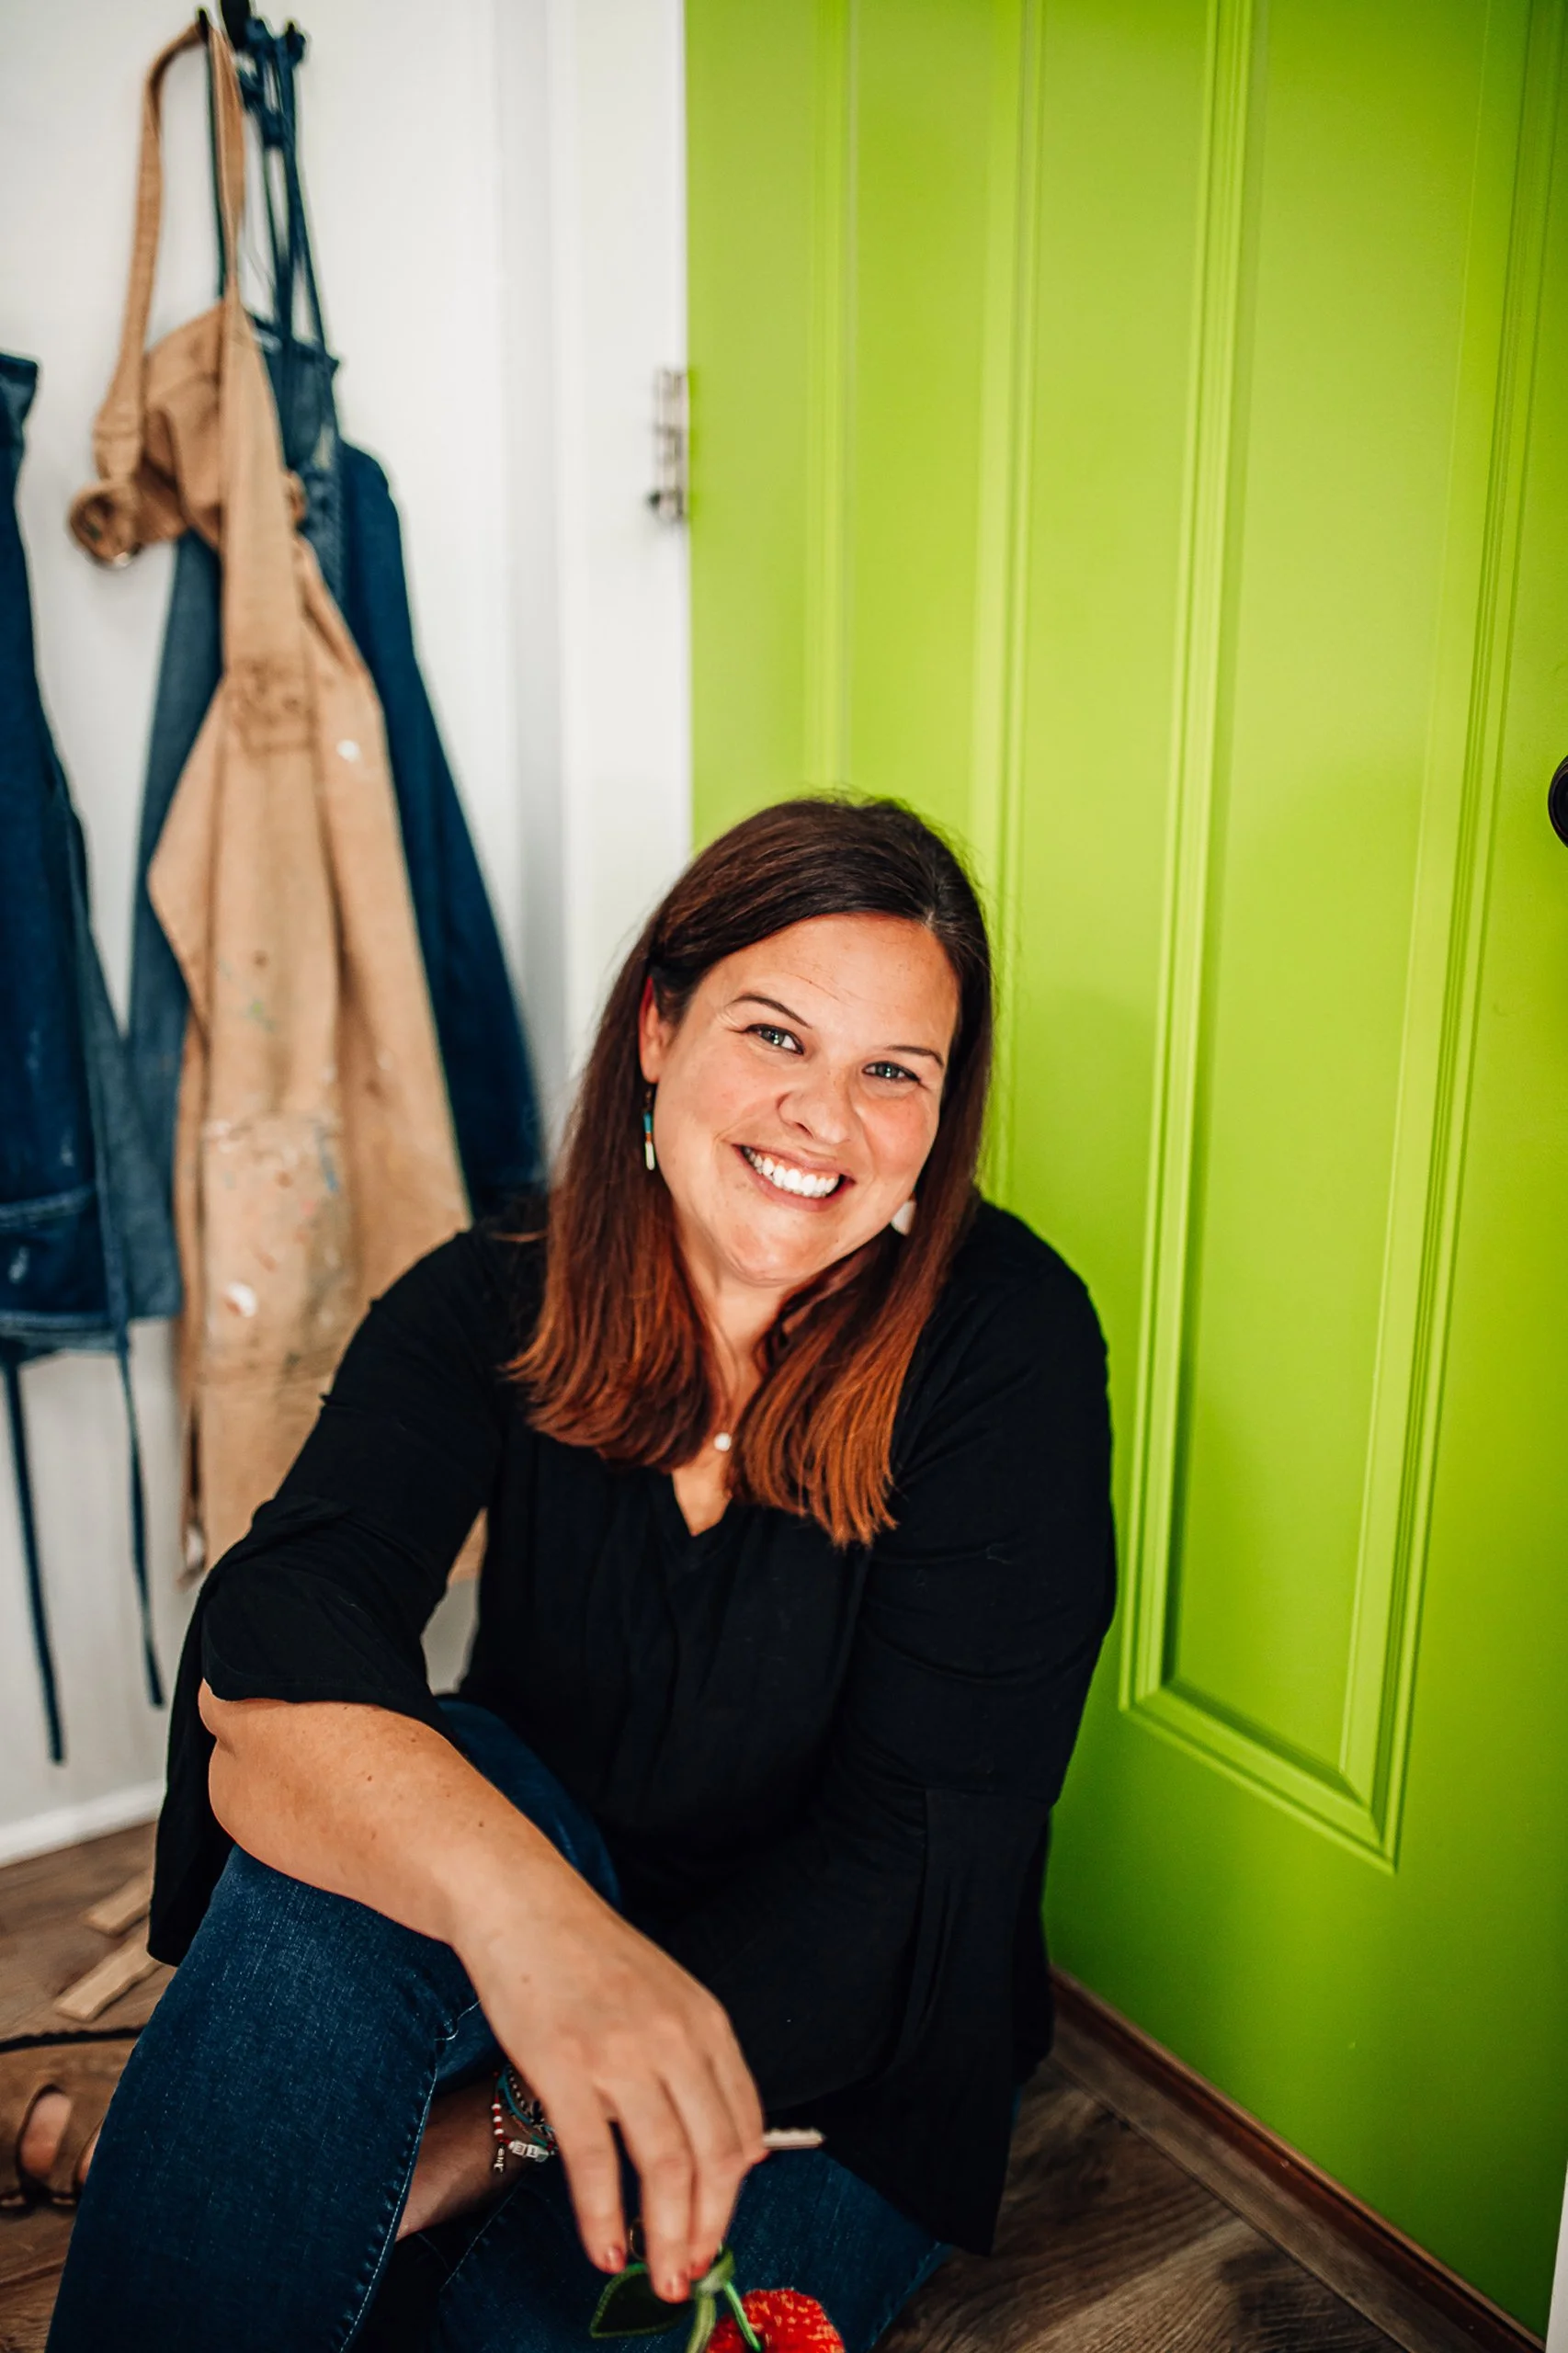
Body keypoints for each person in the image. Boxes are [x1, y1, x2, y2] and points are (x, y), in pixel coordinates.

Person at [41, 796, 1115, 2352]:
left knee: (506, 2327)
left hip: (842, 2041)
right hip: (524, 1922)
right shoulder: (487, 1295)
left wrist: (471, 2141)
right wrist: (533, 1929)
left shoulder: (1004, 1345)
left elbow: (910, 1879)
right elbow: (270, 1652)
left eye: (896, 1071)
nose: (826, 1116)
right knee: (367, 1792)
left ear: (940, 1119)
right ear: (659, 1028)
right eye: (775, 1035)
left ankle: (276, 2169)